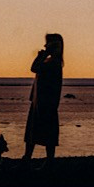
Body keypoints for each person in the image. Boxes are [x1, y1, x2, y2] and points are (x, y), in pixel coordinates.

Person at [23, 33, 64, 162]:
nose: (46, 45)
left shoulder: (54, 63)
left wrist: (43, 54)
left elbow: (34, 68)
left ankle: (46, 162)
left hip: (46, 102)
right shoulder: (50, 61)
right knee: (33, 133)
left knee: (46, 134)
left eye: (49, 43)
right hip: (39, 101)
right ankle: (28, 159)